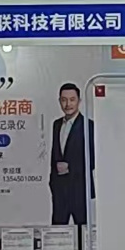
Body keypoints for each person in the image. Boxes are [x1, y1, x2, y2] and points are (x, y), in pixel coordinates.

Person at [48, 82, 94, 225]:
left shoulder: (88, 125)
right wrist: (53, 181)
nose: (68, 104)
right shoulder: (56, 124)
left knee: (83, 231)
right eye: (64, 100)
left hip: (80, 189)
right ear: (59, 101)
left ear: (79, 101)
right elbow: (55, 154)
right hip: (59, 189)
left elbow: (94, 158)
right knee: (57, 231)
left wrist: (70, 167)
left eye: (72, 100)